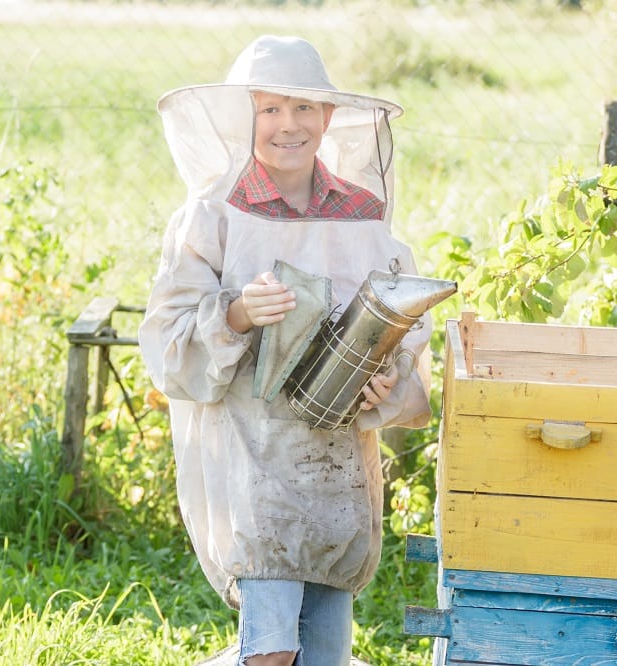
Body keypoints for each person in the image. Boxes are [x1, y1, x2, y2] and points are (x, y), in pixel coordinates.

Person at [139, 35, 433, 666]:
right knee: (271, 649)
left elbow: (405, 324)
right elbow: (168, 340)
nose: (288, 125)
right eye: (270, 109)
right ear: (244, 117)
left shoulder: (361, 215)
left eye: (303, 108)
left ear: (328, 117)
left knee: (326, 652)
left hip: (336, 467)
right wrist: (239, 313)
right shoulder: (212, 215)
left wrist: (387, 375)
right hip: (249, 454)